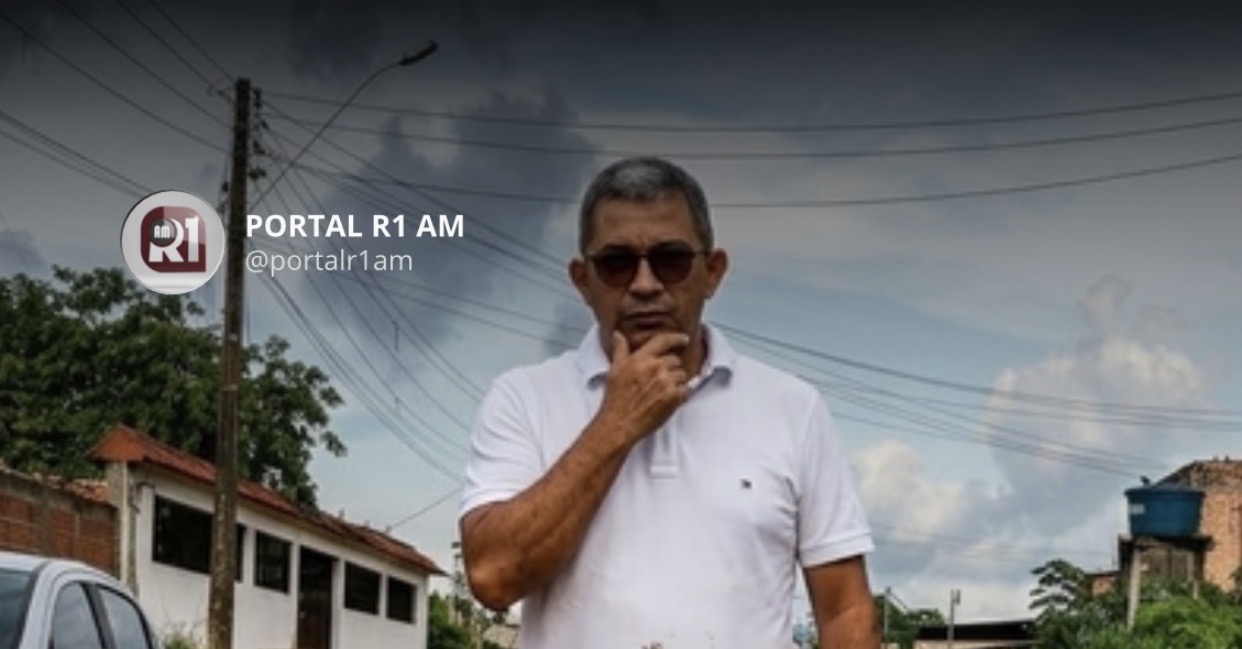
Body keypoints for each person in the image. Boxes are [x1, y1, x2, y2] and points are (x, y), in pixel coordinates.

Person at [459, 156, 878, 648]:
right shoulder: (523, 399)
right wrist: (616, 424)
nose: (645, 284)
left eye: (671, 260)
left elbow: (845, 609)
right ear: (582, 281)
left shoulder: (793, 408)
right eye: (617, 264)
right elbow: (493, 576)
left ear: (713, 272)